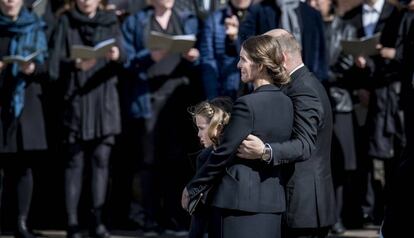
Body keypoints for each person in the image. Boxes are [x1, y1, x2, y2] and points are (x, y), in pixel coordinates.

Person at [183, 34, 294, 238]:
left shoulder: (246, 104)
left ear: (260, 65)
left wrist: (193, 187)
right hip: (273, 204)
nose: (238, 65)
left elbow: (224, 152)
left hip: (237, 206)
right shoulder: (287, 103)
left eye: (243, 59)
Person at [237, 29, 335, 238]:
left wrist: (265, 151)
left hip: (303, 205)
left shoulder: (304, 88)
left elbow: (305, 144)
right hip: (293, 202)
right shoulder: (294, 83)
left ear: (280, 58)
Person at [121, 0, 201, 234]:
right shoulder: (137, 21)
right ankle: (148, 217)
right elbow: (126, 60)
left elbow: (202, 56)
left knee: (175, 159)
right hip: (148, 98)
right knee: (148, 159)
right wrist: (150, 57)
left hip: (179, 98)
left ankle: (174, 216)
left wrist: (193, 56)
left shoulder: (186, 18)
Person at [48, 0, 124, 237]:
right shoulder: (65, 21)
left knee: (102, 161)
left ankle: (98, 221)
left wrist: (116, 54)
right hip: (77, 100)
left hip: (104, 100)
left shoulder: (110, 21)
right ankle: (72, 222)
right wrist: (75, 63)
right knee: (75, 162)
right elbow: (53, 63)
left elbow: (125, 56)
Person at [307, 0, 357, 234]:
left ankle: (337, 216)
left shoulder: (345, 28)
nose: (314, 3)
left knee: (341, 163)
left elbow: (347, 64)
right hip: (313, 102)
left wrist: (322, 76)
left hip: (339, 102)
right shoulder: (305, 24)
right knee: (319, 162)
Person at [0, 0, 48, 237]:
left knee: (23, 166)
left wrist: (33, 68)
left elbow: (49, 65)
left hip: (26, 103)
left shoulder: (36, 26)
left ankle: (21, 222)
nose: (10, 1)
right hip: (1, 102)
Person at [239, 0, 328, 81]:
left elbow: (320, 52)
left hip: (304, 79)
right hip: (270, 80)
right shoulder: (258, 10)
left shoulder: (311, 13)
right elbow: (248, 45)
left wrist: (318, 80)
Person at [185, 96, 233, 238]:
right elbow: (199, 214)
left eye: (201, 128)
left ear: (217, 126)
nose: (198, 134)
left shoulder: (242, 155)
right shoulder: (204, 157)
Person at [199, 0, 252, 100]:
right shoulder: (214, 20)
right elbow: (208, 62)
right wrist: (213, 98)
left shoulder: (260, 15)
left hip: (254, 90)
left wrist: (235, 40)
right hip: (225, 91)